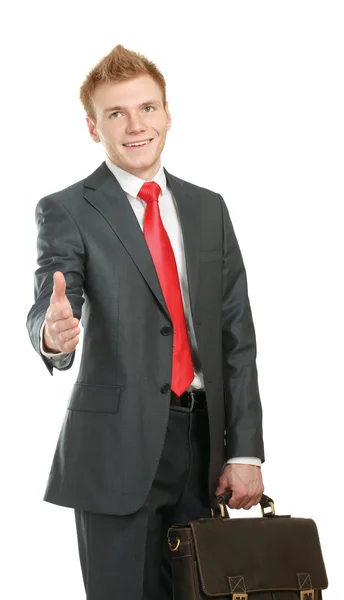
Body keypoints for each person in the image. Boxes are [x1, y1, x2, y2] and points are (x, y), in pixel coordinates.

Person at [26, 44, 265, 600]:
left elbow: (237, 337)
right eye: (116, 113)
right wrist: (52, 333)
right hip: (115, 448)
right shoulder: (68, 209)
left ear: (167, 114)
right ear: (93, 126)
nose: (136, 126)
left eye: (147, 108)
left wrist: (245, 451)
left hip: (203, 443)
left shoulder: (210, 208)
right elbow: (53, 295)